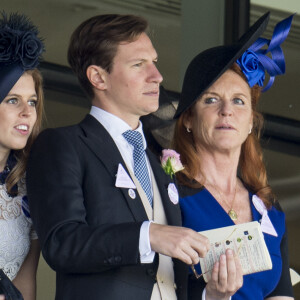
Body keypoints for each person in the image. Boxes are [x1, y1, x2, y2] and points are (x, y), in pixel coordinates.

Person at [26, 14, 210, 300]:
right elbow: (62, 243)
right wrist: (148, 235)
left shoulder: (159, 158)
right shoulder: (63, 144)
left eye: (155, 63)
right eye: (139, 65)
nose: (157, 76)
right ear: (98, 77)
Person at [172, 11, 295, 300]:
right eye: (211, 99)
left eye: (239, 101)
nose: (226, 110)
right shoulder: (171, 193)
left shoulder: (268, 205)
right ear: (188, 118)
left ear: (251, 121)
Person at [0, 12, 44, 300]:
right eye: (13, 100)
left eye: (32, 102)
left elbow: (26, 283)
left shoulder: (30, 184)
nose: (27, 113)